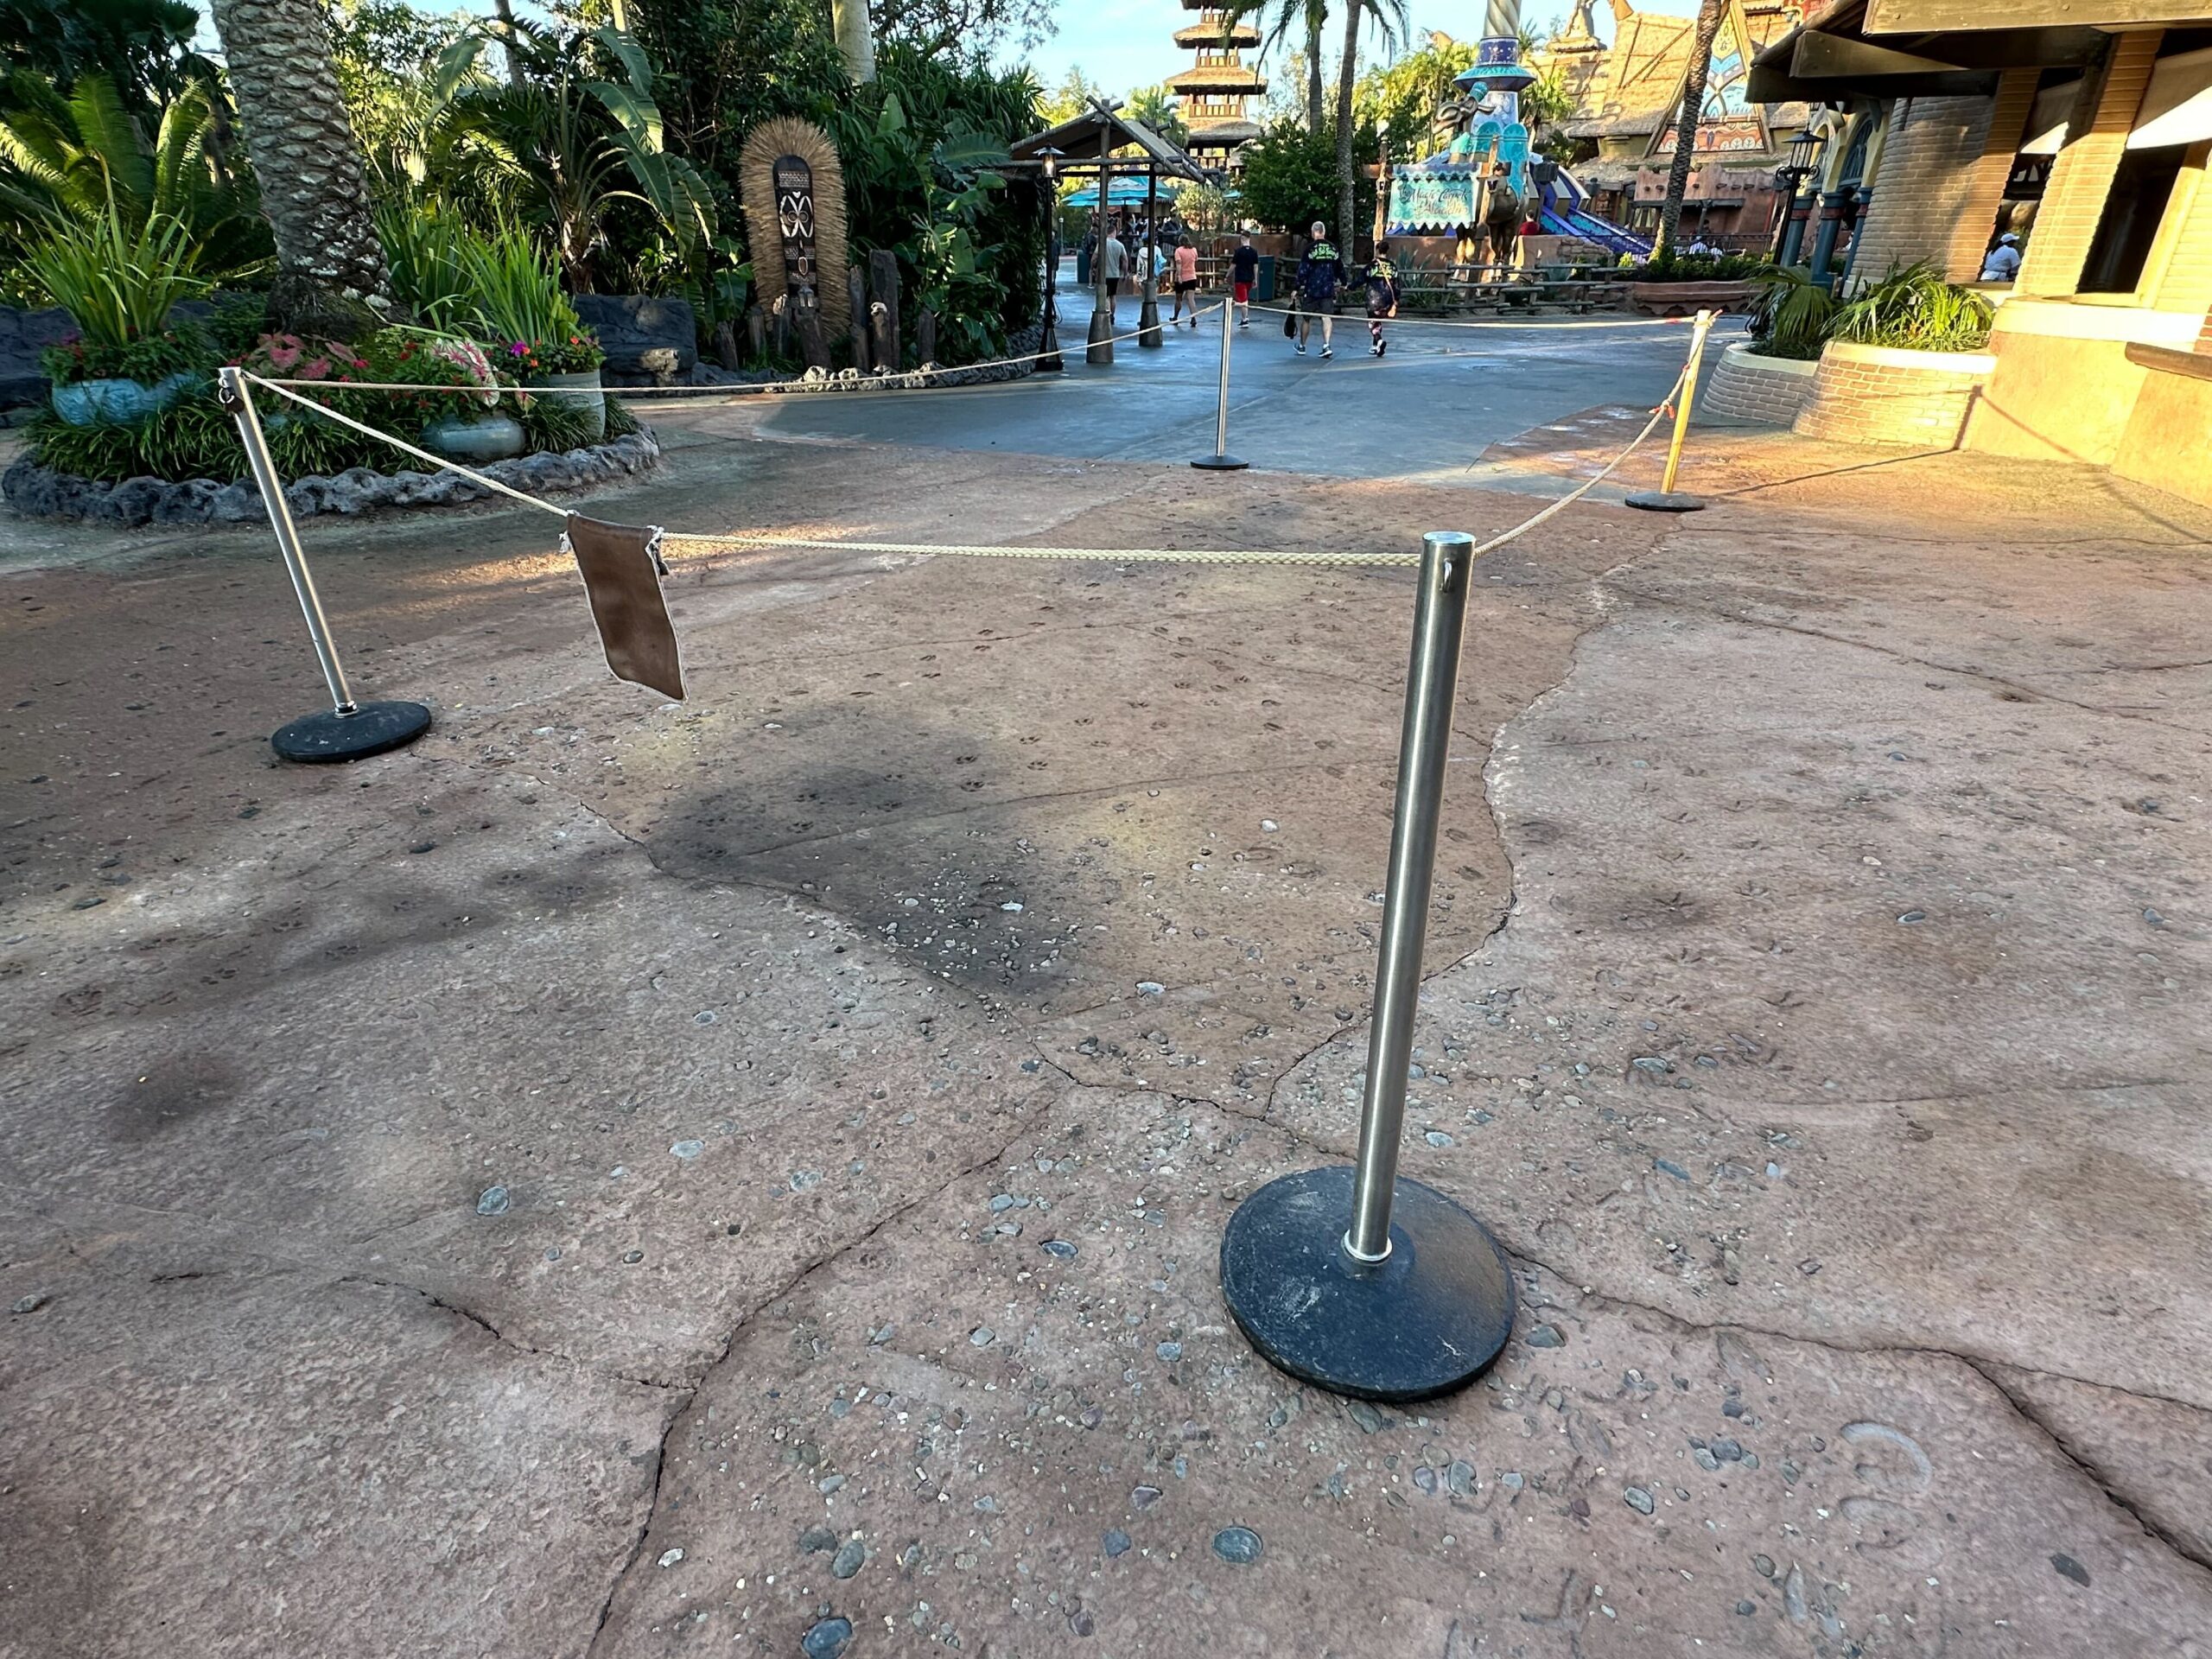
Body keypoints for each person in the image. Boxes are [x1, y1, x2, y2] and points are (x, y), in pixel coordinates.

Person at [1295, 219, 1344, 359]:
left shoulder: (1310, 249)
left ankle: (1302, 346)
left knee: (1306, 318)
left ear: (1313, 233)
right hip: (1327, 288)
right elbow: (1340, 267)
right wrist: (1344, 282)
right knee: (1326, 317)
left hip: (1312, 289)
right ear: (1324, 232)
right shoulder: (1332, 248)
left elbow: (1303, 270)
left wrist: (1296, 287)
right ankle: (1326, 345)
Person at [1364, 240, 1401, 357]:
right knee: (1378, 321)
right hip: (1387, 299)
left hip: (1373, 298)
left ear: (1377, 250)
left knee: (1372, 323)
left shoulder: (1372, 266)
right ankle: (1375, 346)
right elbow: (1397, 285)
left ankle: (1379, 340)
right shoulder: (1392, 267)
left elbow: (1361, 279)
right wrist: (1396, 300)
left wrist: (1349, 287)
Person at [1171, 235, 1200, 326]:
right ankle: (1193, 317)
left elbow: (1179, 264)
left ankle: (1175, 317)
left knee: (1178, 298)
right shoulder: (1194, 250)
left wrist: (1179, 276)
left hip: (1182, 277)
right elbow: (1196, 259)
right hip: (1192, 276)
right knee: (1191, 299)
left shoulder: (1178, 251)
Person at [1231, 232, 1259, 327]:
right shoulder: (1254, 252)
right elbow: (1256, 266)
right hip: (1249, 278)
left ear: (1242, 239)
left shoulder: (1238, 252)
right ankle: (1244, 317)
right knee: (1245, 298)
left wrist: (1227, 274)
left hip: (1240, 278)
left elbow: (1233, 264)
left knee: (1243, 300)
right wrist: (1255, 279)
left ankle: (1245, 319)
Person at [1100, 227, 1128, 321]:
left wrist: (1092, 268)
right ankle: (1112, 315)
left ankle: (1107, 313)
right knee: (1113, 296)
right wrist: (1125, 273)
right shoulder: (1120, 245)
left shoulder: (1102, 244)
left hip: (1104, 274)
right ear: (1114, 232)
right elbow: (1125, 260)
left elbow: (1095, 257)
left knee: (1106, 295)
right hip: (1115, 274)